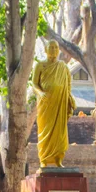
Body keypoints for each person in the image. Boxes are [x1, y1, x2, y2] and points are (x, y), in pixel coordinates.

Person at [32, 40, 76, 168]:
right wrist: (40, 93)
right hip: (45, 104)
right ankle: (44, 160)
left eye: (56, 47)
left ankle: (58, 159)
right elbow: (34, 84)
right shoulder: (40, 65)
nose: (53, 50)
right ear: (45, 50)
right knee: (44, 130)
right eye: (50, 47)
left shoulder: (63, 67)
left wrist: (69, 98)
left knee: (59, 132)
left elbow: (68, 85)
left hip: (60, 103)